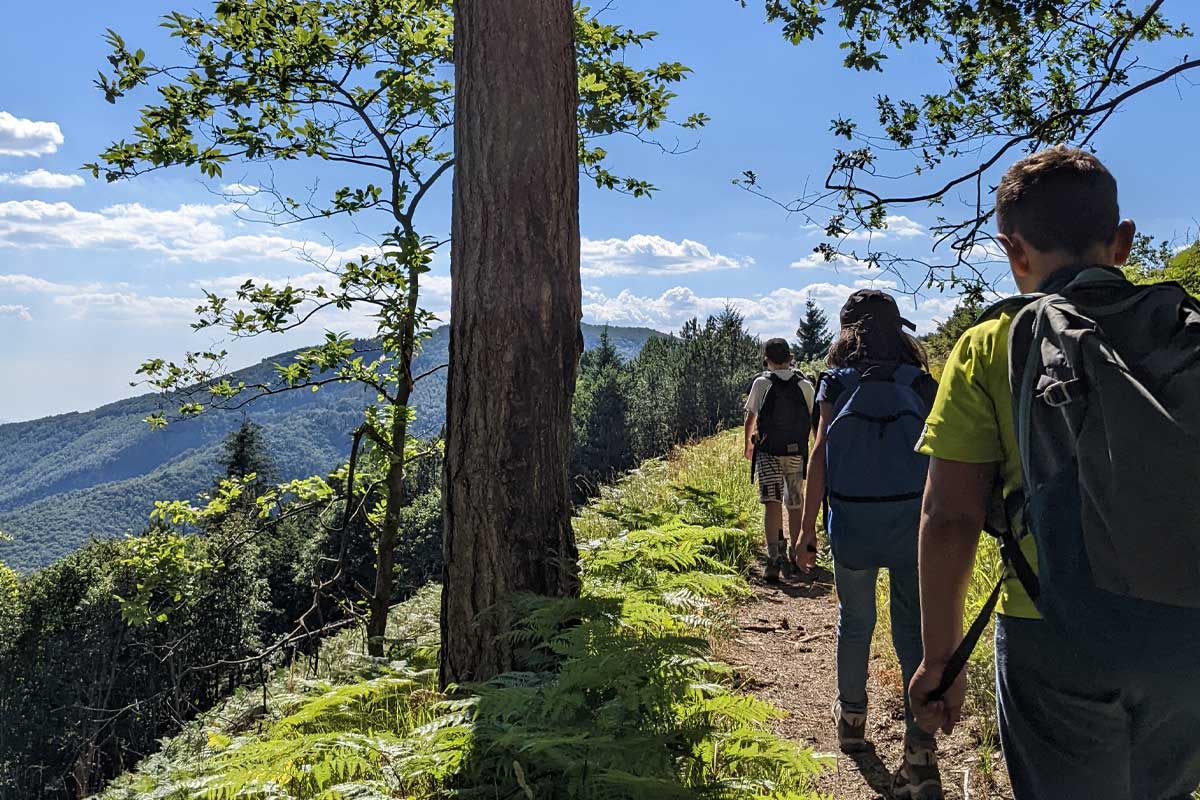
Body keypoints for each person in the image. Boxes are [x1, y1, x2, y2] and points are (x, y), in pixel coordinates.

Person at [908, 146, 1200, 800]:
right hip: (1188, 631)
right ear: (1123, 240)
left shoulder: (992, 343)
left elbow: (949, 516)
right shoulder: (1186, 330)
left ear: (1013, 251)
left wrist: (940, 657)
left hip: (1055, 631)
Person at [800, 290, 940, 799]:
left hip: (853, 520)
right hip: (911, 520)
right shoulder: (920, 381)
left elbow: (821, 455)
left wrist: (806, 529)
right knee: (910, 630)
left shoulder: (836, 380)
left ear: (846, 330)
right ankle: (919, 746)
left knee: (855, 621)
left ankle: (852, 723)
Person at [743, 337, 816, 582]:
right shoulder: (805, 385)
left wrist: (747, 446)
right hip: (796, 452)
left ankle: (774, 558)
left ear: (767, 359)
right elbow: (813, 419)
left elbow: (750, 418)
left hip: (768, 452)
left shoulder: (761, 382)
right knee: (795, 503)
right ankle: (797, 555)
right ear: (790, 357)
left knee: (772, 503)